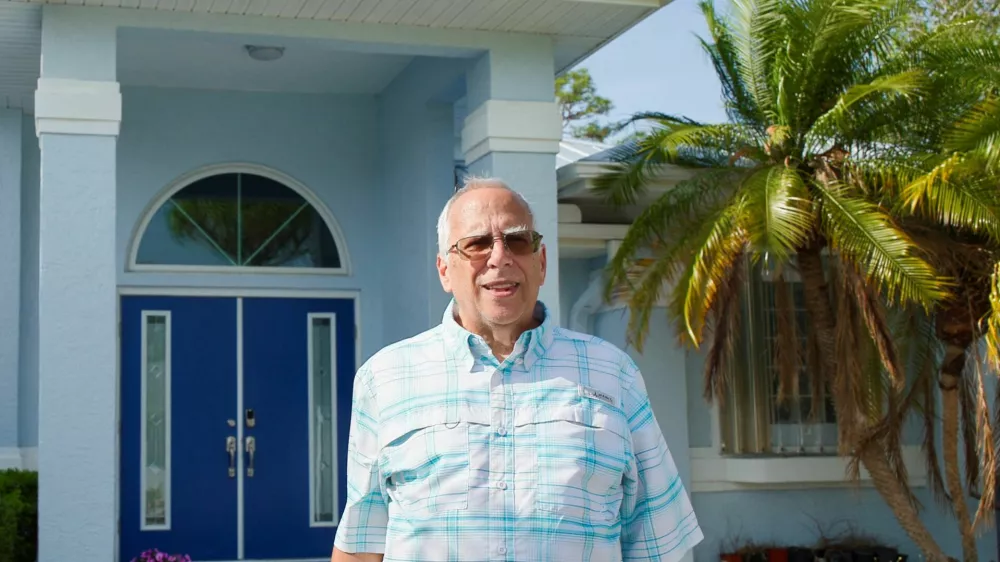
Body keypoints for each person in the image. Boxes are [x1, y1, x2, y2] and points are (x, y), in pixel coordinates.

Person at [331, 177, 703, 562]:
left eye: (518, 241)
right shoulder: (385, 379)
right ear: (444, 270)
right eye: (476, 243)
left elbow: (657, 543)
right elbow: (362, 544)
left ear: (540, 263)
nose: (499, 257)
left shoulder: (613, 375)